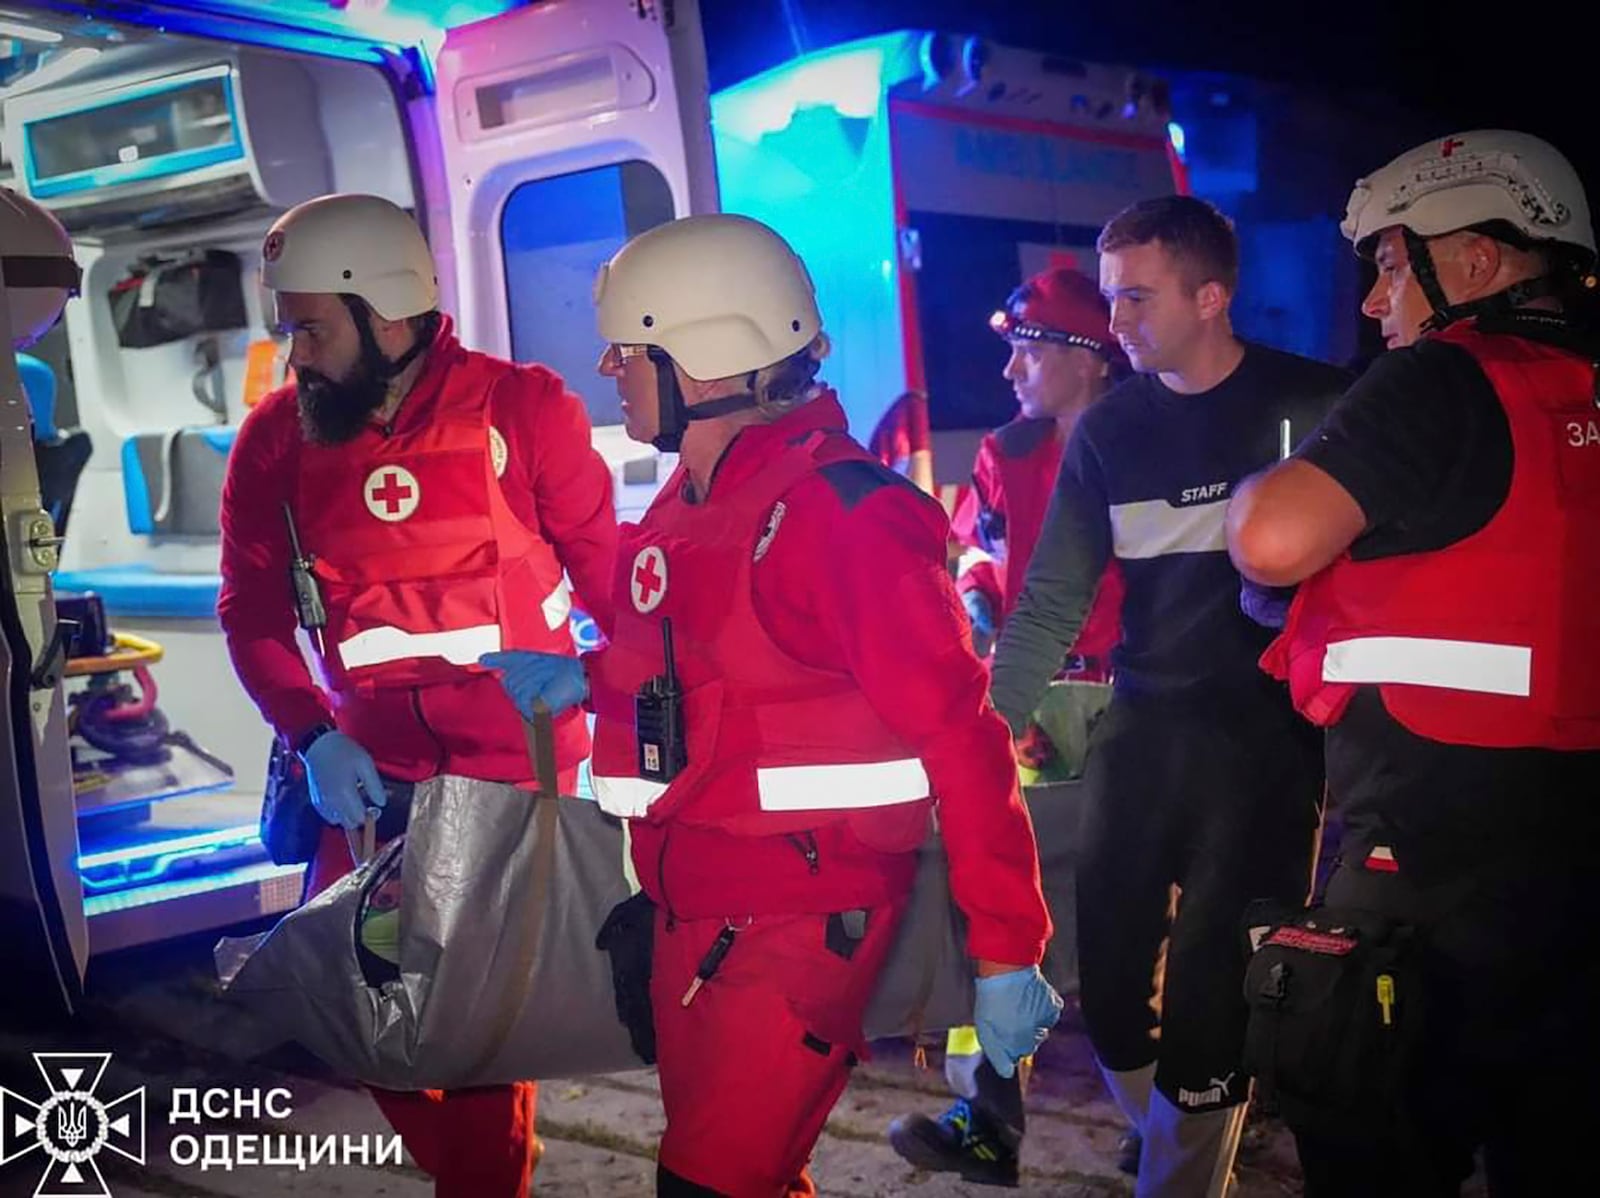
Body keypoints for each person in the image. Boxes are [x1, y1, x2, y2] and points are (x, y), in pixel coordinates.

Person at [481, 213, 1061, 1198]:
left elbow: (963, 741)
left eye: (630, 348)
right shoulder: (691, 500)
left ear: (706, 358)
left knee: (711, 1183)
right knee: (750, 1170)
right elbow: (712, 666)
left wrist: (1008, 950)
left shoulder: (847, 517)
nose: (611, 370)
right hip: (693, 906)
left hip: (792, 921)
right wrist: (593, 670)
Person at [217, 192, 618, 1198]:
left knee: (481, 1044)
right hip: (368, 787)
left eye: (310, 326)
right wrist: (310, 733)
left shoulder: (526, 410)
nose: (294, 354)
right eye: (288, 326)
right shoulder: (274, 442)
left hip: (510, 784)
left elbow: (618, 588)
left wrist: (605, 681)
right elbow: (251, 616)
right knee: (343, 998)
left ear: (389, 313)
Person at [1226, 130, 1600, 1197]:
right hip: (1575, 879)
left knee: (1368, 1140)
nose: (1371, 301)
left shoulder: (1439, 379)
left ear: (1476, 261)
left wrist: (1258, 489)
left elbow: (1273, 543)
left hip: (1429, 877)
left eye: (1391, 262)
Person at [990, 195, 1348, 1195]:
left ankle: (1183, 1175)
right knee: (1105, 992)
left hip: (1266, 747)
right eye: (1110, 299)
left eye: (1137, 298)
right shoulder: (1107, 430)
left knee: (1210, 999)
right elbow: (1049, 603)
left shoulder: (1323, 405)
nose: (1117, 323)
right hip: (1143, 731)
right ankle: (1180, 1149)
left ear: (1211, 295)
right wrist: (981, 735)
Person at [887, 264, 1130, 1185]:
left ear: (1093, 360)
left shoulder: (1148, 445)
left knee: (1126, 921)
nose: (1011, 371)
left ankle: (1174, 1108)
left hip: (1131, 708)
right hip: (1027, 706)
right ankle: (990, 1114)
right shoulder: (1006, 454)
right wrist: (990, 660)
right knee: (996, 900)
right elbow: (982, 570)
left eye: (1030, 349)